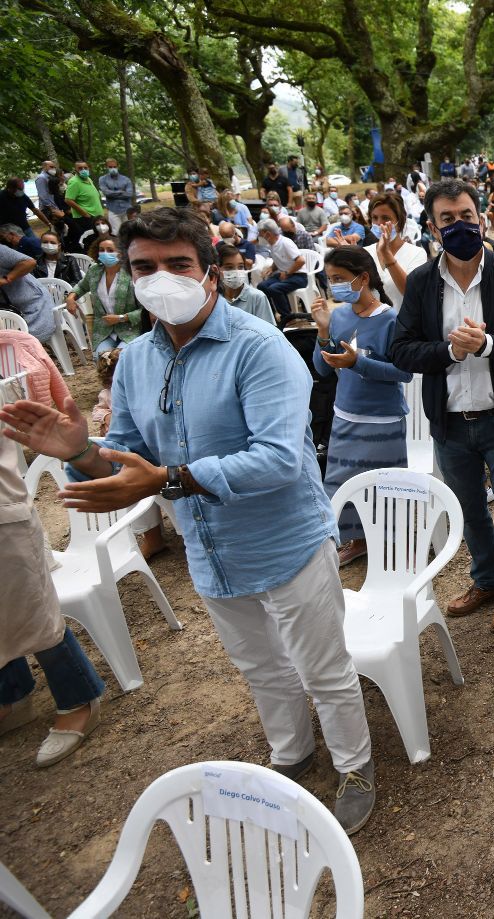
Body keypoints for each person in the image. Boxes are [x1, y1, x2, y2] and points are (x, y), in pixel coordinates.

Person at [0, 207, 377, 830]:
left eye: (177, 264)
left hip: (287, 543)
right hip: (210, 548)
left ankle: (354, 765)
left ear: (208, 273)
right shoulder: (138, 362)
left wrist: (169, 481)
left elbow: (281, 459)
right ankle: (293, 754)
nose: (160, 279)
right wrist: (81, 452)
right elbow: (129, 454)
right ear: (127, 273)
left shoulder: (260, 349)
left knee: (324, 669)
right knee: (260, 666)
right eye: (143, 267)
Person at [389, 179, 494, 633]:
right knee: (471, 508)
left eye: (466, 216)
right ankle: (486, 580)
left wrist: (489, 344)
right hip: (451, 421)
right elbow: (402, 350)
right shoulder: (421, 283)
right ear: (432, 227)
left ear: (481, 219)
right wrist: (450, 352)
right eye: (447, 219)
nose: (458, 225)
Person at [0, 336, 104, 768]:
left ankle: (78, 699)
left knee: (32, 610)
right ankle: (13, 695)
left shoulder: (12, 345)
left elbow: (33, 405)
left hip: (3, 513)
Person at [309, 246, 411, 566]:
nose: (334, 286)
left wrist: (358, 363)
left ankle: (395, 546)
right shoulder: (338, 315)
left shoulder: (391, 320)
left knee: (384, 487)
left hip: (382, 420)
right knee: (343, 488)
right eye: (329, 280)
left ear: (363, 278)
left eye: (339, 278)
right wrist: (323, 331)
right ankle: (358, 540)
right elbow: (323, 369)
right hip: (344, 416)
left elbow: (404, 372)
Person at [68, 234, 141, 356]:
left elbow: (145, 310)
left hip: (130, 329)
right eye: (101, 250)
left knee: (122, 357)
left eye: (110, 250)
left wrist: (121, 318)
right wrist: (71, 297)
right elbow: (81, 286)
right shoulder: (94, 271)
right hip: (103, 330)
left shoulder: (132, 273)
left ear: (121, 253)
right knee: (102, 360)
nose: (105, 253)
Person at [364, 191, 427, 306]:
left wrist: (386, 254)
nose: (379, 223)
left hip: (403, 322)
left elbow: (411, 293)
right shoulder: (365, 253)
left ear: (399, 220)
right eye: (375, 218)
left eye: (385, 218)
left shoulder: (417, 254)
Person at [0, 241, 57, 342]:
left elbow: (29, 262)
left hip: (34, 308)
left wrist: (6, 279)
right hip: (8, 310)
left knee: (18, 342)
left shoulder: (2, 251)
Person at [255, 218, 308, 323]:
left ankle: (287, 317)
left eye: (261, 234)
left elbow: (300, 261)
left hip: (298, 276)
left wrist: (288, 272)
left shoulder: (285, 243)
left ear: (268, 234)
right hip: (285, 275)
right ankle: (271, 314)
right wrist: (271, 268)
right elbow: (280, 260)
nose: (259, 236)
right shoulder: (272, 245)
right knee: (261, 286)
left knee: (275, 289)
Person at [216, 242, 275, 324]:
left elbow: (269, 331)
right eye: (229, 267)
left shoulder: (257, 297)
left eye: (240, 267)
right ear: (218, 269)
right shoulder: (214, 298)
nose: (236, 271)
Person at [62, 162, 103, 253]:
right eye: (80, 168)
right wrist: (85, 213)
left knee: (98, 242)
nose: (83, 170)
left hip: (96, 217)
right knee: (91, 244)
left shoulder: (88, 179)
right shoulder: (74, 182)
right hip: (85, 219)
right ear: (76, 170)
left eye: (85, 168)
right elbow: (68, 200)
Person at [2, 178, 48, 243]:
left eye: (22, 189)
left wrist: (48, 224)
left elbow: (35, 210)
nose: (22, 191)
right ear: (10, 188)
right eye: (20, 189)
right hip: (9, 231)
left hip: (25, 227)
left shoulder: (23, 196)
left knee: (36, 244)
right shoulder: (1, 197)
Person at [98, 160, 134, 232]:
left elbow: (129, 194)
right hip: (113, 209)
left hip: (127, 209)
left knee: (129, 231)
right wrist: (122, 191)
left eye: (114, 167)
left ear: (118, 167)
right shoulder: (102, 179)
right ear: (106, 167)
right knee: (116, 232)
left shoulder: (126, 179)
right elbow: (106, 193)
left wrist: (112, 193)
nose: (113, 168)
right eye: (110, 167)